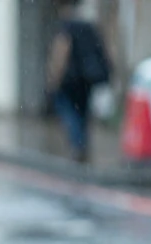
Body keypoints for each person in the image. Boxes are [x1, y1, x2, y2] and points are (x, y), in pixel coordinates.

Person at [47, 0, 112, 164]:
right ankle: (83, 145)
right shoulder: (89, 26)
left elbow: (61, 51)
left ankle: (78, 146)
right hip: (87, 78)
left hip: (70, 79)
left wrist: (54, 79)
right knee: (83, 113)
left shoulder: (66, 26)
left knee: (68, 111)